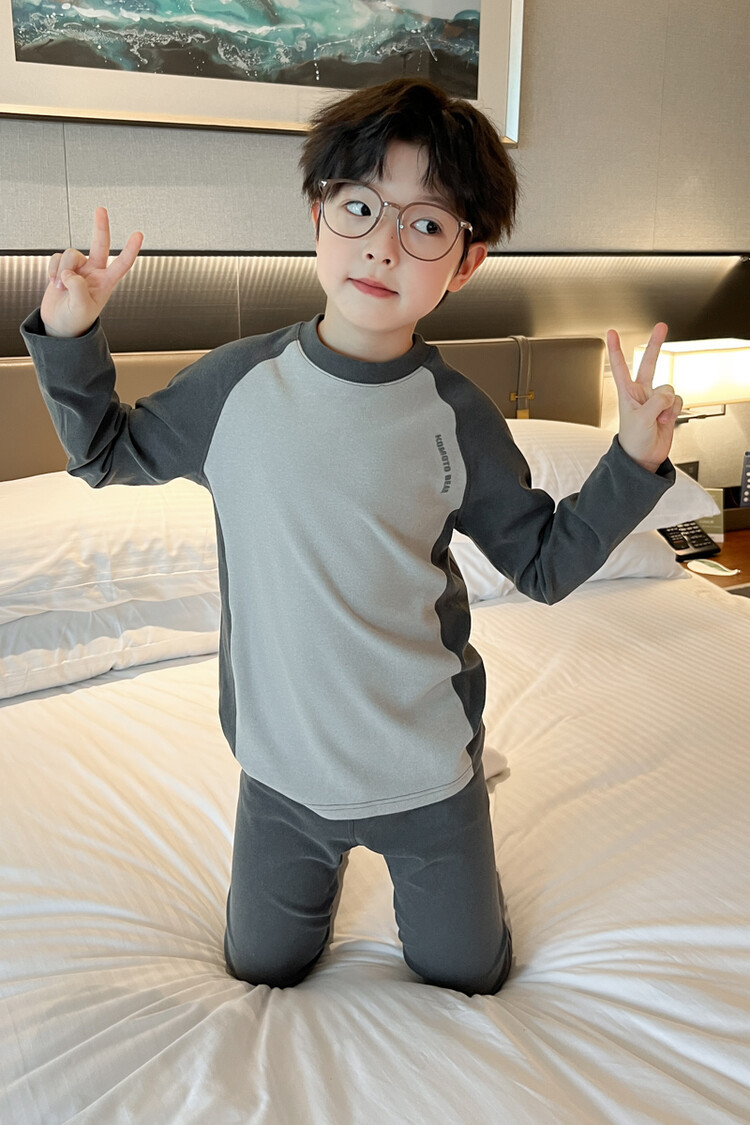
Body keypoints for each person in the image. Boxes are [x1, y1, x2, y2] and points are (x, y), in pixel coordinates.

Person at [21, 78, 682, 997]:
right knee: (261, 967)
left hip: (426, 770)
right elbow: (103, 451)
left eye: (426, 225)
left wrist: (632, 461)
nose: (383, 244)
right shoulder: (237, 387)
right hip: (282, 772)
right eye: (361, 206)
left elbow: (540, 564)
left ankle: (467, 810)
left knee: (468, 973)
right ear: (318, 214)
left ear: (466, 263)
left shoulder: (457, 414)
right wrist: (71, 334)